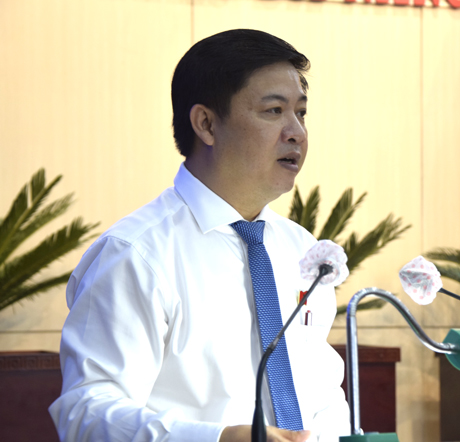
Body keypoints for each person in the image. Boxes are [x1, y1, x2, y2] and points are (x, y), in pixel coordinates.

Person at [49, 29, 350, 442]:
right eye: (274, 111)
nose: (296, 132)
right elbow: (86, 413)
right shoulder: (136, 254)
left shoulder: (301, 249)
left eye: (301, 112)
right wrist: (217, 439)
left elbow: (322, 394)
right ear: (206, 123)